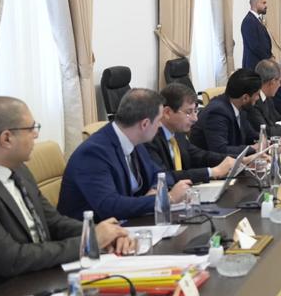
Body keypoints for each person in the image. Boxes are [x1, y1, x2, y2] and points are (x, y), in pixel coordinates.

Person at [0, 97, 133, 296]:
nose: (36, 134)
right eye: (31, 128)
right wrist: (90, 242)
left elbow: (54, 222)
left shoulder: (17, 167)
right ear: (7, 138)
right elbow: (11, 259)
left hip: (37, 279)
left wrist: (104, 234)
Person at [59, 88, 194, 221]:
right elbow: (110, 206)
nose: (159, 126)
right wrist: (166, 198)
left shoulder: (134, 140)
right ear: (145, 124)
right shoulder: (93, 153)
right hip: (94, 230)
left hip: (131, 221)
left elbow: (163, 175)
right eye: (159, 120)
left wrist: (155, 189)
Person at [143, 84, 236, 183]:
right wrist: (212, 172)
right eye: (188, 112)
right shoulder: (149, 138)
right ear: (167, 113)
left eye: (195, 111)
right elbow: (164, 177)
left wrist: (235, 160)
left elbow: (200, 156)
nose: (195, 119)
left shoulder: (177, 132)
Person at [192, 69, 263, 155]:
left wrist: (269, 141)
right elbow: (220, 150)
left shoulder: (240, 107)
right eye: (257, 94)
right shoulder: (217, 112)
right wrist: (252, 148)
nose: (258, 98)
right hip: (211, 162)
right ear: (245, 98)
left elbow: (250, 135)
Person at [246, 59, 281, 138]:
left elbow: (279, 119)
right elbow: (265, 131)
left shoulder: (268, 98)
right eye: (280, 81)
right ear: (272, 82)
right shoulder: (254, 101)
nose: (280, 85)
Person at [240, 0, 272, 71]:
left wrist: (270, 55)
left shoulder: (256, 20)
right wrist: (268, 58)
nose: (266, 6)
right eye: (264, 3)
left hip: (260, 65)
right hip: (253, 66)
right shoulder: (249, 21)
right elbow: (254, 45)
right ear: (257, 4)